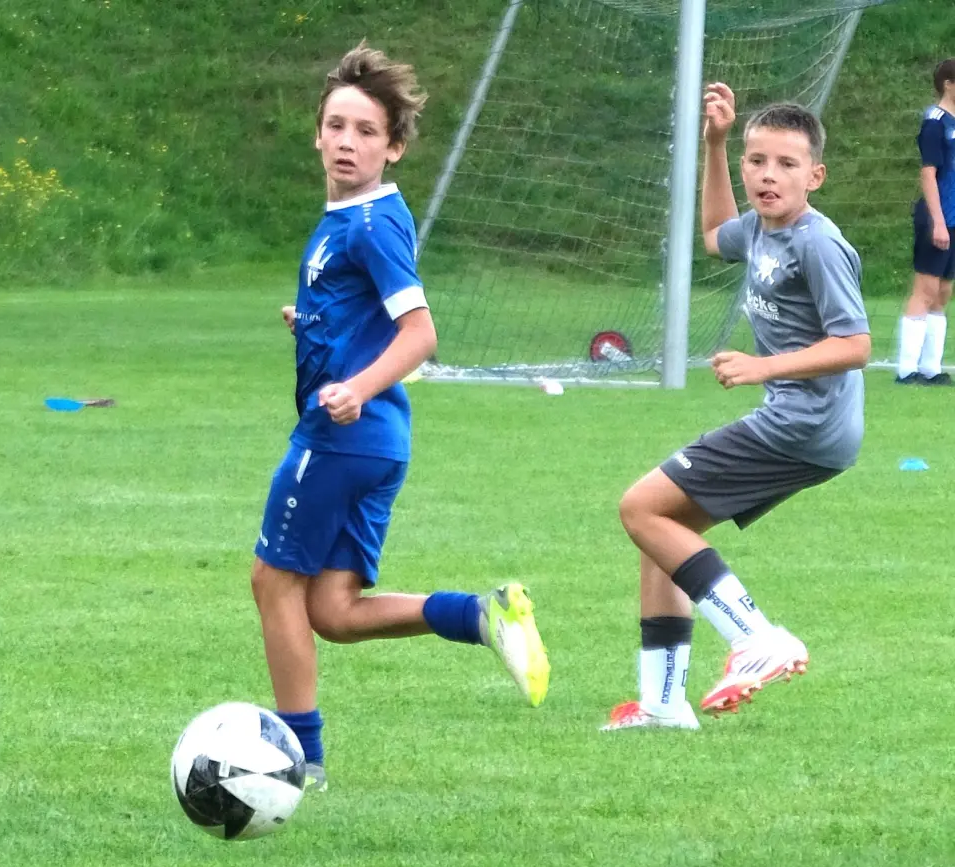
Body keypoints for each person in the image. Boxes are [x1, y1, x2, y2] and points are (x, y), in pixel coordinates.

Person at [256, 42, 550, 792]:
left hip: (344, 434)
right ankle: (484, 615)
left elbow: (422, 334)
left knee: (272, 581)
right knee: (335, 610)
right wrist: (317, 325)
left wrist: (353, 387)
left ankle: (300, 761)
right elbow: (371, 319)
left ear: (395, 147)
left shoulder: (372, 223)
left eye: (365, 130)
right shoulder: (349, 218)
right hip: (377, 439)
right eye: (336, 125)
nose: (348, 141)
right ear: (317, 134)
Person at [605, 84, 870, 731]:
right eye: (756, 161)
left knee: (638, 507)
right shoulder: (759, 229)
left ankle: (757, 637)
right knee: (662, 530)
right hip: (807, 428)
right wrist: (715, 142)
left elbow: (857, 344)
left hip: (800, 425)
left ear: (816, 175)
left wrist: (763, 367)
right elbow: (713, 234)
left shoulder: (817, 243)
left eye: (785, 163)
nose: (767, 175)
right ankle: (663, 704)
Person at [894, 58, 955, 386]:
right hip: (938, 217)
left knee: (944, 292)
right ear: (947, 83)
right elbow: (928, 173)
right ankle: (906, 370)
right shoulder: (935, 122)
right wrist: (939, 222)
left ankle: (931, 369)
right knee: (925, 288)